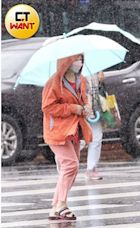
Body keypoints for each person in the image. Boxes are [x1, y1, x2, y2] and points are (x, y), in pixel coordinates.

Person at [42, 54, 92, 220]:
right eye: (77, 59)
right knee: (70, 164)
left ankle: (56, 207)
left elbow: (83, 102)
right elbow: (48, 107)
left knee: (71, 167)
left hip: (74, 129)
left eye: (81, 59)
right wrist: (72, 108)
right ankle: (62, 204)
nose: (80, 63)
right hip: (57, 131)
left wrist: (85, 108)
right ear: (67, 61)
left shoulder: (82, 80)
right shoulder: (54, 82)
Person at [85, 71, 105, 180]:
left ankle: (91, 168)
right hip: (80, 107)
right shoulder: (73, 69)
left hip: (95, 108)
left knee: (96, 138)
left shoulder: (95, 67)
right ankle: (65, 166)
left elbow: (98, 89)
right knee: (77, 141)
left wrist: (100, 79)